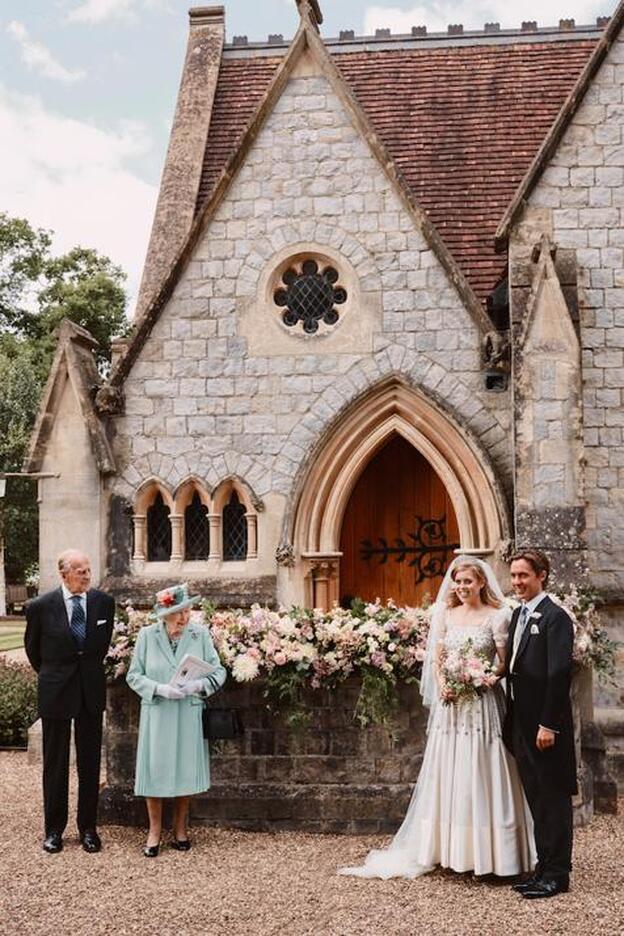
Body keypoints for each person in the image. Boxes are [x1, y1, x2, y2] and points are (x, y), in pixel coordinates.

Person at [340, 556, 534, 879]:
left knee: (483, 767)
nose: (461, 587)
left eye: (468, 581)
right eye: (458, 582)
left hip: (482, 705)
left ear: (481, 582)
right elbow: (437, 659)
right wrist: (444, 684)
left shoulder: (498, 616)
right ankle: (450, 850)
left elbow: (504, 663)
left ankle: (493, 855)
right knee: (451, 769)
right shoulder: (445, 613)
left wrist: (483, 678)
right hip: (451, 708)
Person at [24, 549, 115, 854]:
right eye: (80, 571)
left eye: (88, 570)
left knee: (90, 763)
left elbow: (101, 647)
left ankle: (88, 828)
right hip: (56, 691)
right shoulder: (40, 607)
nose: (87, 576)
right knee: (55, 764)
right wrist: (56, 675)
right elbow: (33, 651)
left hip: (90, 691)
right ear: (63, 574)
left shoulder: (104, 603)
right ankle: (54, 830)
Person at [126, 583, 226, 856]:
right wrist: (159, 689)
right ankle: (154, 831)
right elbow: (134, 675)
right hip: (157, 712)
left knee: (185, 770)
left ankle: (180, 829)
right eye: (179, 612)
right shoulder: (147, 636)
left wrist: (198, 685)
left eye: (188, 610)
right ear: (164, 614)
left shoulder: (199, 634)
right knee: (155, 771)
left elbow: (218, 672)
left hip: (187, 711)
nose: (185, 617)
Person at [503, 548, 576, 900]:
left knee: (554, 799)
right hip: (522, 722)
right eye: (513, 575)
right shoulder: (518, 614)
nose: (517, 582)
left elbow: (559, 674)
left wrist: (548, 724)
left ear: (541, 575)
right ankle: (542, 869)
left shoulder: (555, 617)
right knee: (536, 799)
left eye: (523, 575)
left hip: (546, 727)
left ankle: (557, 875)